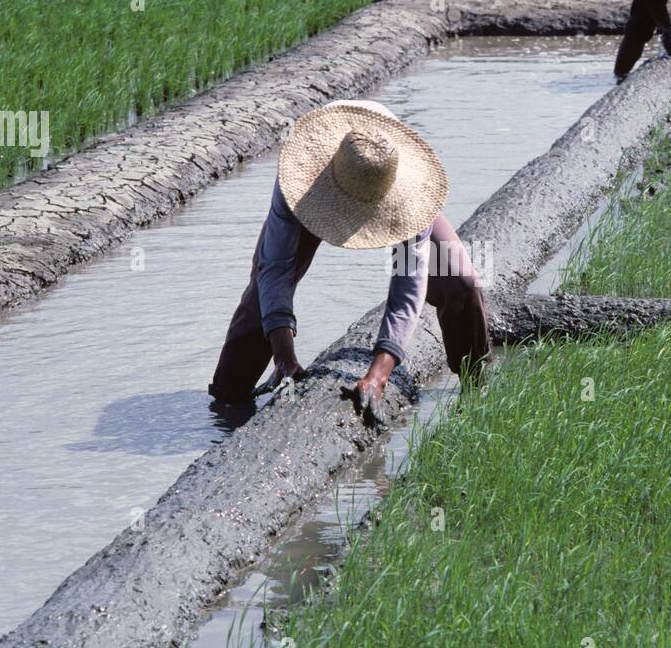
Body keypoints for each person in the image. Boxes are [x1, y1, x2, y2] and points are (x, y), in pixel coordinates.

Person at [208, 100, 489, 422]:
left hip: (385, 194)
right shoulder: (297, 179)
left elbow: (406, 291)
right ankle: (228, 400)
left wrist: (379, 375)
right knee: (263, 291)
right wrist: (284, 358)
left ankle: (477, 386)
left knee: (462, 283)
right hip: (318, 191)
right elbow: (276, 269)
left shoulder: (409, 193)